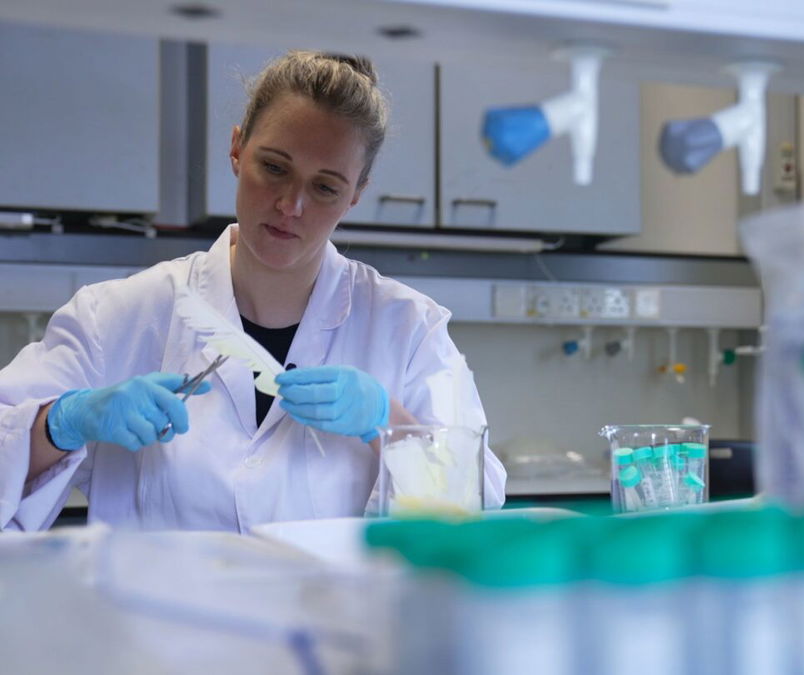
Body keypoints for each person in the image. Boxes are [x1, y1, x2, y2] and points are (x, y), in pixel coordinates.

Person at [0, 51, 506, 532]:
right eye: (275, 167)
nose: (291, 205)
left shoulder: (408, 330)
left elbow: (471, 511)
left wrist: (386, 422)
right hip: (156, 622)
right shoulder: (116, 316)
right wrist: (60, 424)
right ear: (238, 149)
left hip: (335, 620)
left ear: (355, 194)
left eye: (326, 187)